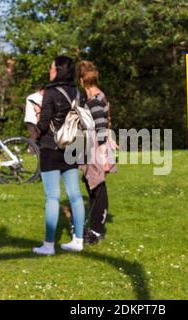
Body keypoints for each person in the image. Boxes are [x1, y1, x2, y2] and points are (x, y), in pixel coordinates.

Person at [32, 56, 86, 256]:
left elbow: (44, 125)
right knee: (75, 195)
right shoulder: (77, 93)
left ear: (58, 70)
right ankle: (78, 240)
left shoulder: (51, 93)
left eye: (51, 67)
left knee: (52, 197)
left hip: (51, 148)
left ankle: (48, 245)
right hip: (72, 147)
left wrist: (38, 113)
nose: (49, 70)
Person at [77, 60, 117, 245]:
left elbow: (101, 127)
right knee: (94, 187)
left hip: (97, 150)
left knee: (97, 189)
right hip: (98, 148)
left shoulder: (93, 100)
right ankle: (93, 227)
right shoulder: (101, 95)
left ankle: (96, 231)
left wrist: (103, 155)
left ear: (81, 80)